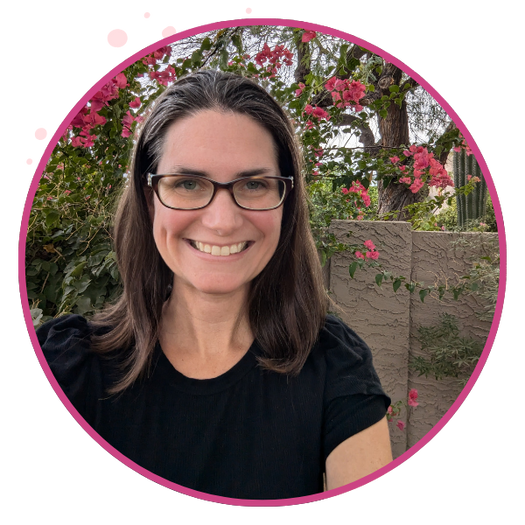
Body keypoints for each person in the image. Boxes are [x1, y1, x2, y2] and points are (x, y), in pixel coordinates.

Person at [37, 69, 393, 500]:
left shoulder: (334, 367)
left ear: (286, 202)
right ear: (150, 198)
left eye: (255, 184)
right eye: (187, 183)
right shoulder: (64, 367)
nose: (222, 221)